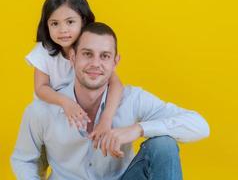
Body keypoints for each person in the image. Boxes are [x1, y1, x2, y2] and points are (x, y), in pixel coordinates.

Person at [11, 22, 210, 180]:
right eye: (87, 54)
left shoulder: (132, 99)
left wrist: (137, 129)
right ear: (72, 57)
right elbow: (24, 160)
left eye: (104, 56)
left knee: (163, 146)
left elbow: (200, 126)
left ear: (115, 62)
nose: (95, 63)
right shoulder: (42, 110)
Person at [26, 0, 124, 178]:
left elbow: (116, 85)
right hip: (50, 121)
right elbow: (41, 88)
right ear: (46, 26)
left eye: (70, 22)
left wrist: (106, 119)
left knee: (78, 166)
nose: (63, 30)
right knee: (35, 165)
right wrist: (66, 103)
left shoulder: (90, 49)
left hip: (80, 124)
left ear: (84, 22)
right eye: (55, 23)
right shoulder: (44, 51)